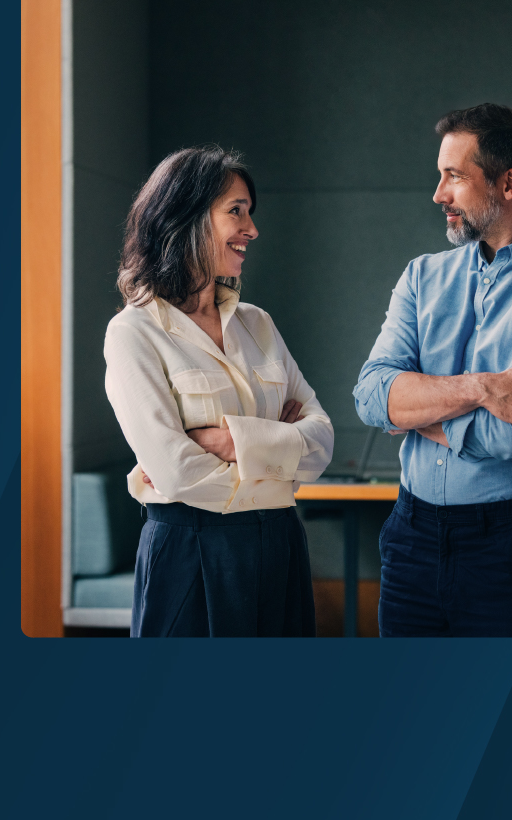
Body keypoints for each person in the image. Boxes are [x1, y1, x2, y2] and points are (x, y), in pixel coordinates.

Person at [353, 104, 512, 637]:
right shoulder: (422, 277)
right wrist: (485, 388)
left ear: (509, 183)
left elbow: (509, 435)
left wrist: (411, 411)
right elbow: (372, 397)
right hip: (410, 535)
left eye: (454, 176)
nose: (438, 194)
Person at [104, 145, 335, 637]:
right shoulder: (132, 333)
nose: (252, 229)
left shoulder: (259, 324)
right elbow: (175, 470)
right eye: (237, 211)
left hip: (281, 545)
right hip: (188, 551)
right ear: (185, 216)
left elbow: (321, 441)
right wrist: (277, 457)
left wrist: (232, 442)